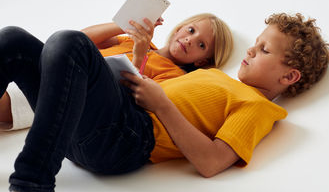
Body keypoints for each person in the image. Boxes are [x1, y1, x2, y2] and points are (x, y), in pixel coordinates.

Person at [1, 12, 329, 192]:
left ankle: (31, 189)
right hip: (96, 120)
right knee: (13, 40)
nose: (251, 50)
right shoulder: (211, 76)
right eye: (256, 42)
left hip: (126, 138)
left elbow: (213, 161)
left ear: (288, 77)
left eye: (264, 50)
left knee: (70, 43)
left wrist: (160, 104)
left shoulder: (258, 107)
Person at [0, 13, 233, 131]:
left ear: (202, 61)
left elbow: (138, 102)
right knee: (12, 41)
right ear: (180, 27)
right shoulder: (129, 40)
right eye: (191, 30)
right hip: (54, 69)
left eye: (201, 45)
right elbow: (76, 40)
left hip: (77, 99)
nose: (189, 40)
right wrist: (125, 25)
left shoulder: (176, 77)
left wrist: (140, 57)